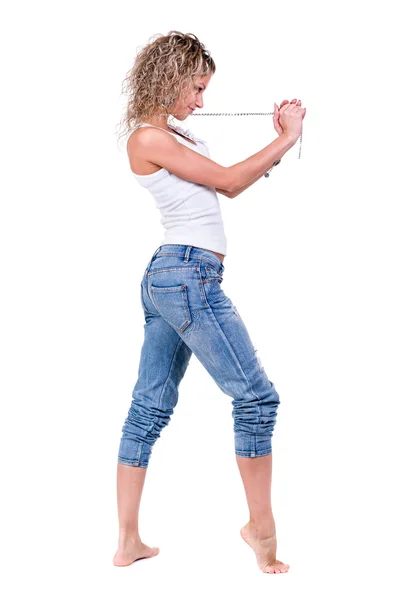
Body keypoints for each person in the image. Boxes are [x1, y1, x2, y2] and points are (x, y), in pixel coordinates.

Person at [113, 31, 306, 574]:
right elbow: (227, 183)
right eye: (196, 88)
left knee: (149, 407)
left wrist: (273, 141)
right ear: (170, 78)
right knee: (257, 399)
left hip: (174, 277)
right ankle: (261, 531)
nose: (201, 101)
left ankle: (128, 543)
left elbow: (226, 183)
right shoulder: (148, 138)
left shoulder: (175, 135)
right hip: (186, 277)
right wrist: (287, 138)